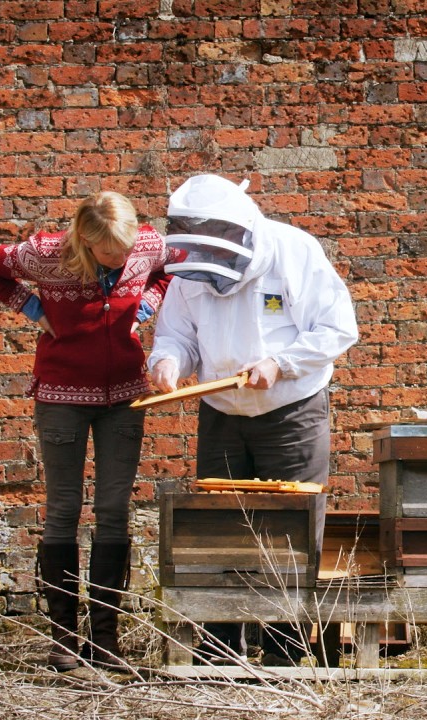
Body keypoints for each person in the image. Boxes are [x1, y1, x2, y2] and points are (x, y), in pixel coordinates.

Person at [147, 174, 359, 665]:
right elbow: (175, 334)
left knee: (290, 530)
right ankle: (220, 646)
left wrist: (279, 364)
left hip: (291, 412)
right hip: (221, 411)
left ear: (240, 230)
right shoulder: (189, 273)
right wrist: (168, 362)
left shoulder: (295, 251)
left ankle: (285, 650)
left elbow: (337, 327)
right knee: (219, 528)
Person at [0, 191, 181, 672]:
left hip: (126, 395)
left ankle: (105, 642)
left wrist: (149, 301)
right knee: (63, 509)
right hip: (62, 396)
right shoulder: (45, 253)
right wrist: (32, 310)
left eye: (127, 249)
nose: (122, 258)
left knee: (113, 510)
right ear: (85, 239)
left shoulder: (146, 244)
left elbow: (172, 265)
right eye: (111, 252)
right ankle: (64, 641)